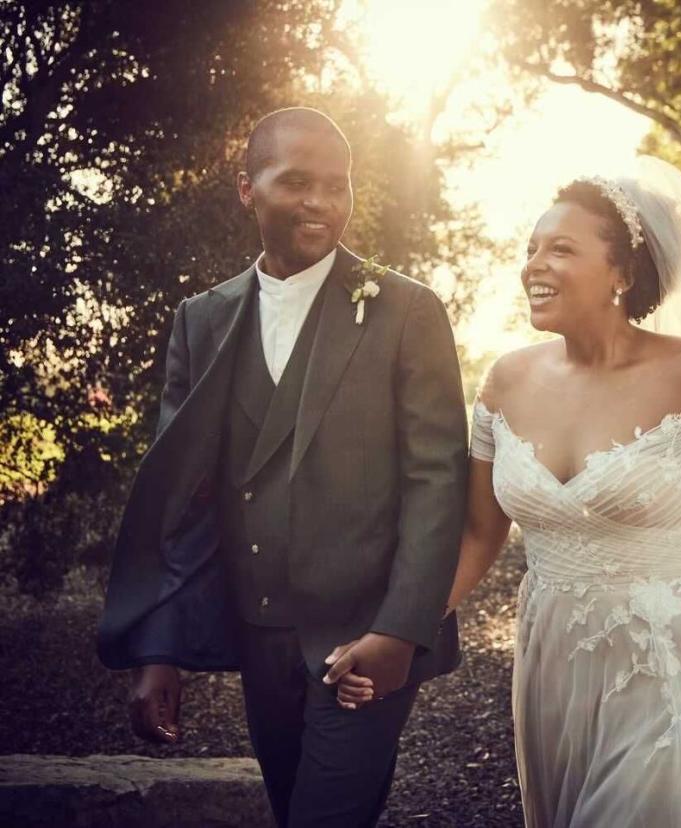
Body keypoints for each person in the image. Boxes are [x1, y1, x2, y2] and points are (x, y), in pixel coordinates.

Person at [338, 157, 681, 826]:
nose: (535, 264)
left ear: (621, 273)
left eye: (561, 248)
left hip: (672, 660)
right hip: (554, 656)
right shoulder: (505, 381)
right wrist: (400, 632)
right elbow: (478, 534)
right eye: (531, 248)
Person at [97, 107, 468, 828]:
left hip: (364, 641)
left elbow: (438, 481)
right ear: (247, 189)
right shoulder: (200, 320)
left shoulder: (406, 311)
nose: (321, 202)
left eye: (338, 184)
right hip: (260, 632)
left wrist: (401, 629)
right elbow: (185, 499)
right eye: (296, 182)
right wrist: (159, 649)